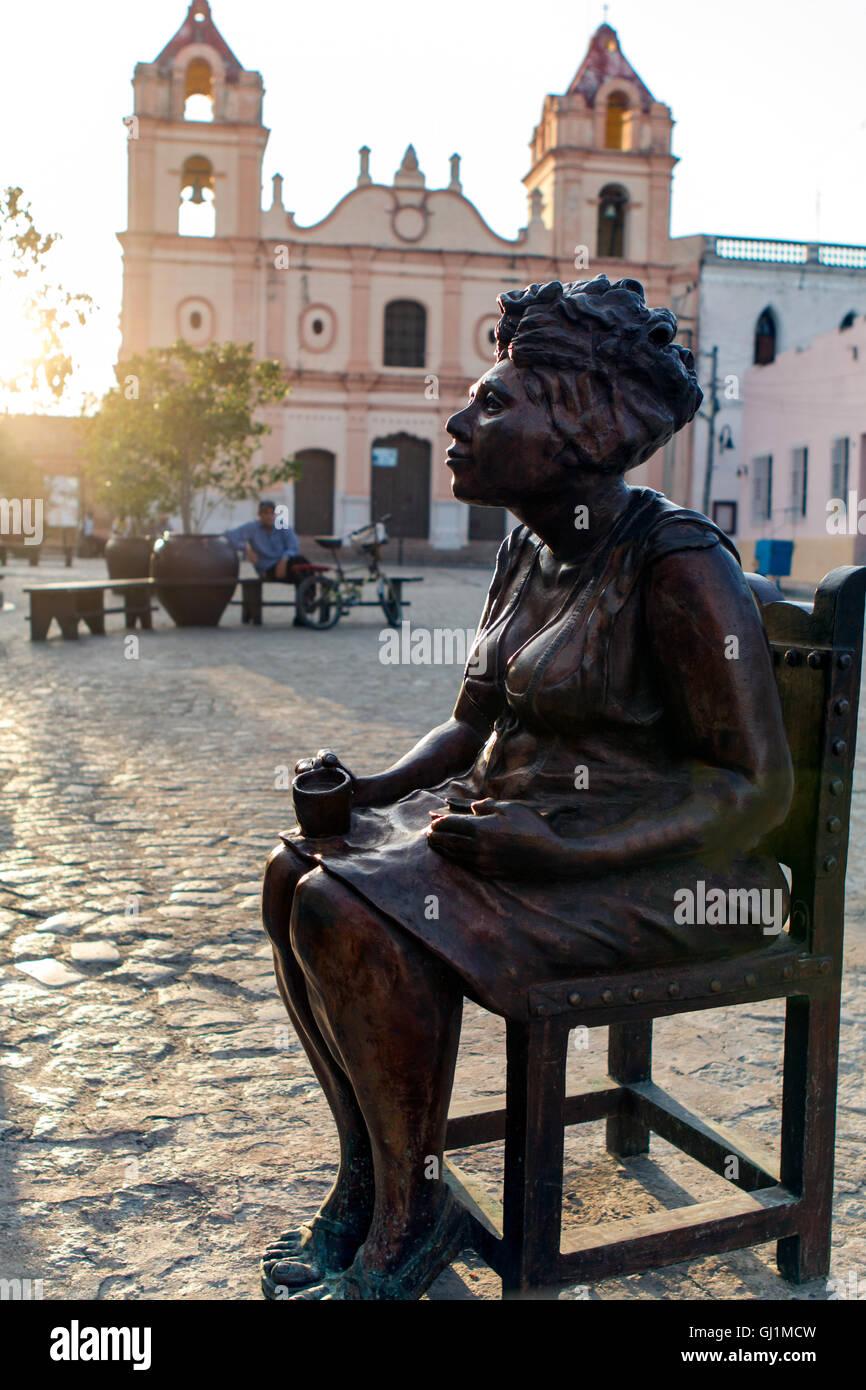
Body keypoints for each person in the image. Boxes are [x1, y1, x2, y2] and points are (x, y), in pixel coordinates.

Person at [259, 276, 794, 1300]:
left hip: (666, 871)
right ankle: (373, 1180)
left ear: (580, 427)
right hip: (521, 836)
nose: (458, 421)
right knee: (290, 873)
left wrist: (569, 852)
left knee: (349, 911)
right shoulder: (525, 549)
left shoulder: (676, 565)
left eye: (494, 403)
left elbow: (755, 789)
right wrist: (370, 790)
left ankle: (410, 1225)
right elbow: (470, 722)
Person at [224, 499, 309, 581]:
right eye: (265, 513)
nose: (269, 516)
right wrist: (246, 549)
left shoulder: (282, 526)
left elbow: (294, 546)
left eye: (272, 513)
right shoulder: (253, 527)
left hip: (284, 564)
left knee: (302, 564)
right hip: (267, 568)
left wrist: (284, 559)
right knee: (299, 570)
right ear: (259, 515)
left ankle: (307, 595)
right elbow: (229, 535)